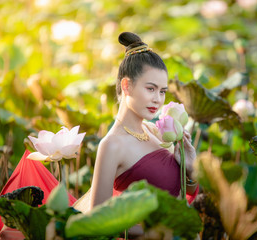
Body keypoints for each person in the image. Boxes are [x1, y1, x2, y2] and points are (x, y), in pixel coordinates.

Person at [74, 32, 199, 237]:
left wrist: (190, 167)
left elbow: (189, 194)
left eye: (162, 91)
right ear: (127, 85)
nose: (157, 99)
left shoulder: (157, 131)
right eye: (150, 89)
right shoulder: (112, 145)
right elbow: (100, 219)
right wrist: (157, 231)